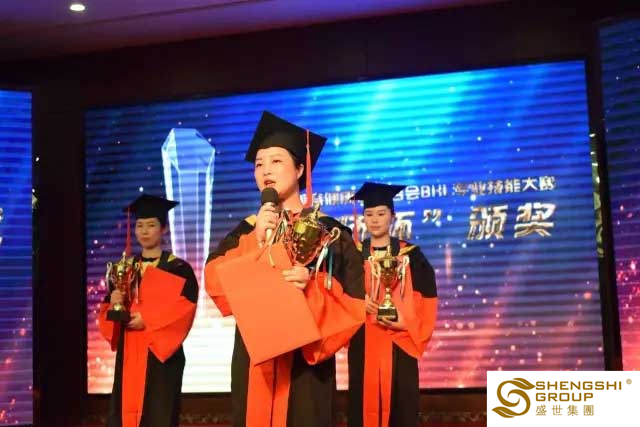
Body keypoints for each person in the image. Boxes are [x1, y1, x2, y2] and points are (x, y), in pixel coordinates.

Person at [205, 111, 365, 427]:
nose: (265, 170)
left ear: (300, 168)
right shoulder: (247, 230)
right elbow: (216, 283)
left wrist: (311, 287)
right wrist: (255, 242)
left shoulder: (329, 233)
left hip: (307, 368)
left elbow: (354, 303)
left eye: (276, 161)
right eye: (259, 164)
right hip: (255, 363)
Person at [98, 194, 198, 427]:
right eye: (139, 225)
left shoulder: (179, 269)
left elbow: (185, 310)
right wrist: (114, 303)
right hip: (130, 350)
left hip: (161, 355)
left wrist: (148, 320)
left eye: (151, 225)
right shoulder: (124, 268)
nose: (144, 231)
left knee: (159, 414)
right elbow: (107, 314)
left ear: (164, 229)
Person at [347, 182, 438, 427]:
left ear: (392, 216)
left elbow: (426, 299)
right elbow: (339, 294)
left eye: (381, 213)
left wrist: (405, 321)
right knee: (362, 401)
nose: (375, 220)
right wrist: (356, 303)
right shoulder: (353, 255)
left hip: (399, 342)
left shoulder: (411, 256)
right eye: (369, 214)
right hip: (363, 340)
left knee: (401, 405)